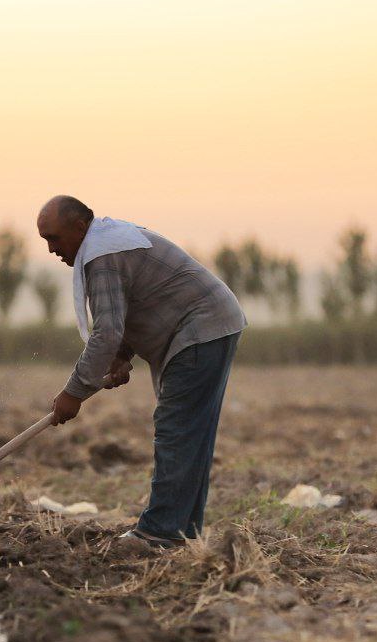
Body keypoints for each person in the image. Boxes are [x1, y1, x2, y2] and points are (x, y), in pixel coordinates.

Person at [36, 195, 246, 548]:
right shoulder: (109, 241)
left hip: (200, 328)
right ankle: (181, 533)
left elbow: (105, 332)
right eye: (45, 241)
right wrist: (121, 355)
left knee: (177, 428)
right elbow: (138, 303)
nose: (51, 249)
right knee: (190, 433)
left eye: (54, 238)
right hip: (212, 324)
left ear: (80, 227)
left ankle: (160, 532)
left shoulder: (102, 256)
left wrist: (73, 393)